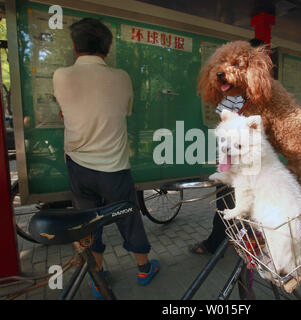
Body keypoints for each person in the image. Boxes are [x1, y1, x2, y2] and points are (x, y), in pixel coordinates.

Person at [53, 18, 160, 297]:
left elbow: (64, 111)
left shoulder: (60, 76)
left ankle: (98, 277)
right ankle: (143, 268)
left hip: (78, 165)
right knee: (127, 216)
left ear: (75, 47)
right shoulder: (121, 77)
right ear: (107, 49)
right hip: (114, 166)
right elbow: (125, 110)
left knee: (86, 220)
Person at [189, 39, 266, 255]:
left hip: (248, 162)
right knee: (228, 200)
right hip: (233, 159)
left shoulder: (261, 96)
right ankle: (231, 238)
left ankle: (220, 242)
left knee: (228, 201)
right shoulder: (232, 95)